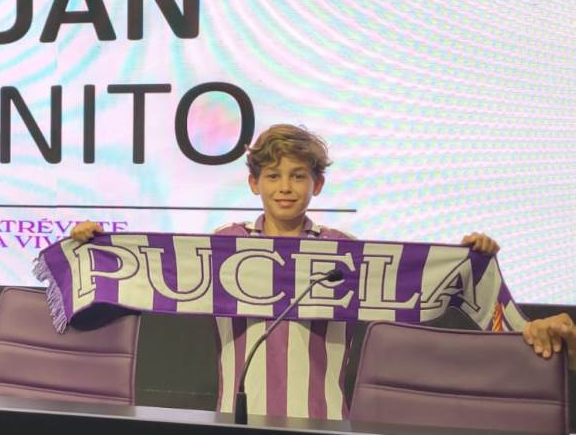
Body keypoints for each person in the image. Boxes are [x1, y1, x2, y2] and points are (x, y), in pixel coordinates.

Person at [69, 124, 567, 418]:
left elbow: (449, 290)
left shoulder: (345, 253)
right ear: (253, 184)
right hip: (234, 418)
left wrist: (472, 262)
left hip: (325, 421)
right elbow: (129, 286)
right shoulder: (220, 248)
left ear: (318, 185)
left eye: (298, 176)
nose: (285, 187)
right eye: (273, 176)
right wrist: (94, 248)